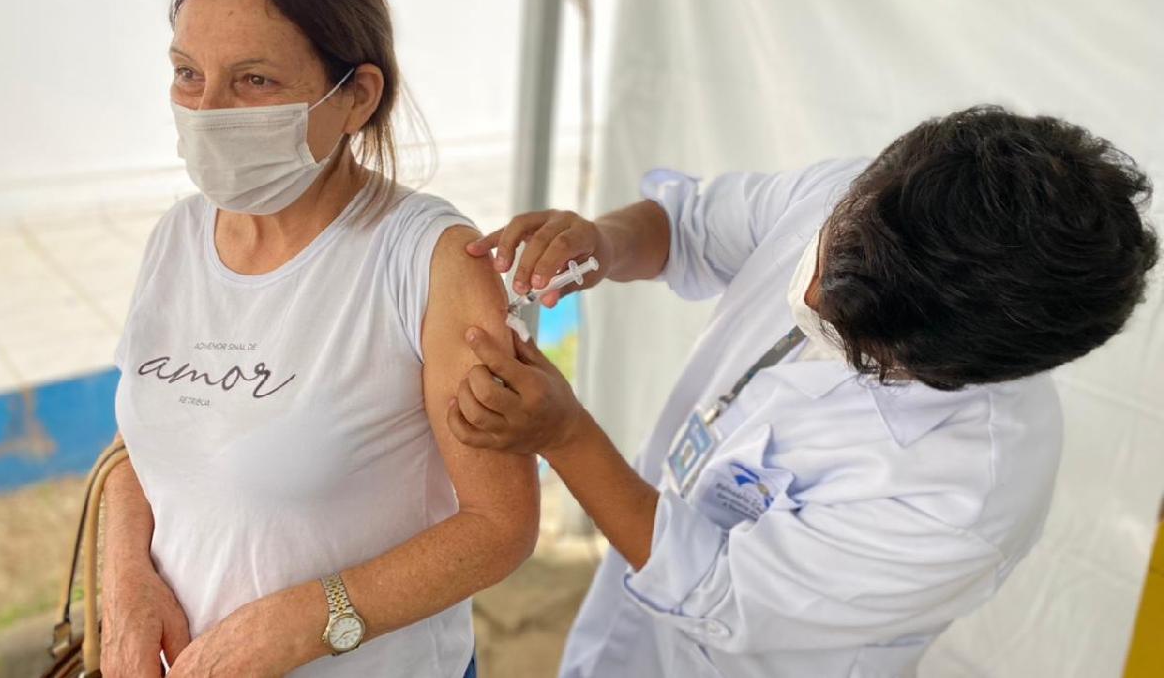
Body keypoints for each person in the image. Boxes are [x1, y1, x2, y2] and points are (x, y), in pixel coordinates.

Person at [451, 106, 1159, 677]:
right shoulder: (881, 204)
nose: (808, 292)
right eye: (828, 249)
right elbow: (690, 225)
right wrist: (602, 242)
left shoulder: (967, 490)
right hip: (623, 637)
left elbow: (715, 590)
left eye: (847, 334)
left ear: (948, 370)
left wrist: (567, 438)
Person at [101, 0, 538, 676]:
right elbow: (147, 443)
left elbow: (501, 525)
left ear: (357, 97)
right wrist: (125, 587)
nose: (207, 111)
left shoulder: (428, 261)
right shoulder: (176, 237)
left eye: (254, 80)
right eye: (188, 73)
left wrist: (305, 622)